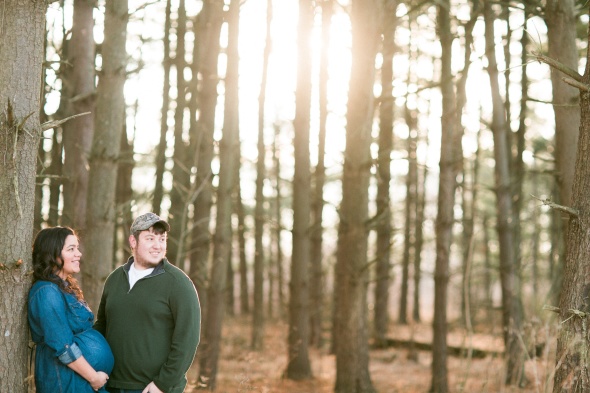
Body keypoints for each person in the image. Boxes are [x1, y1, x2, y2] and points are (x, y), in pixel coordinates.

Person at [94, 212, 201, 393]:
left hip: (153, 388)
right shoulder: (114, 280)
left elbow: (187, 340)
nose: (157, 246)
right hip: (111, 385)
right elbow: (102, 327)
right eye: (150, 238)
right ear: (133, 241)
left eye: (162, 239)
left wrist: (163, 384)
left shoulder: (178, 283)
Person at [28, 226, 114, 393]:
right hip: (66, 381)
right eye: (71, 249)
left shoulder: (62, 287)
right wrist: (94, 378)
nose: (79, 253)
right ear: (52, 254)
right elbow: (63, 346)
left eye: (77, 247)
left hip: (80, 380)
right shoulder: (47, 292)